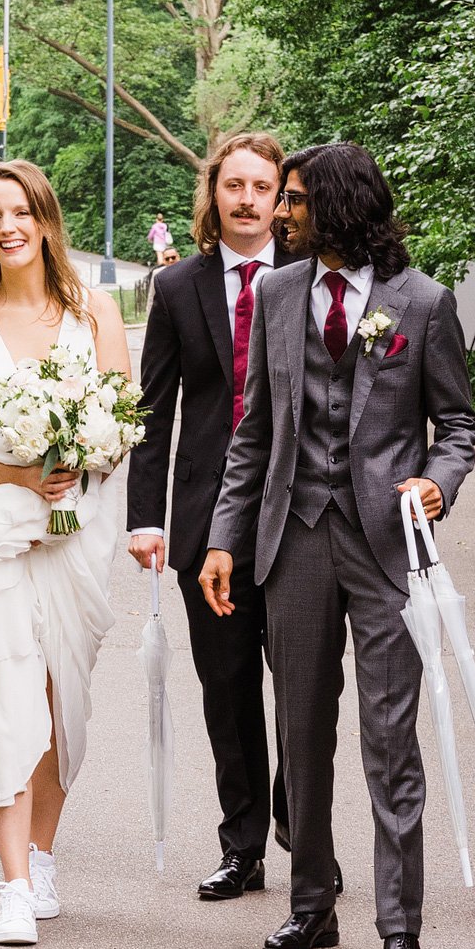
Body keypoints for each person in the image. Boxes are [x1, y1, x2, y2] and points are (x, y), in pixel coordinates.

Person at [201, 142, 475, 949]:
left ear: (340, 205)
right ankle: (311, 903)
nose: (279, 212)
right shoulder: (279, 293)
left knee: (390, 741)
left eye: (293, 199)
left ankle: (400, 932)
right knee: (302, 734)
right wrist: (224, 538)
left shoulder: (422, 302)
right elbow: (254, 431)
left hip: (386, 545)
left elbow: (457, 428)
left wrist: (436, 484)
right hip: (294, 541)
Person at [0, 160, 131, 946]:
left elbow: (123, 420)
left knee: (57, 701)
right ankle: (12, 885)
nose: (8, 227)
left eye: (21, 212)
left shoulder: (95, 312)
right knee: (4, 697)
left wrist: (80, 452)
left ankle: (42, 857)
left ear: (46, 221)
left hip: (73, 532)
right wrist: (18, 472)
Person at [128, 131, 296, 901]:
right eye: (235, 185)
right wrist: (146, 518)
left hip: (298, 517)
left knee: (303, 685)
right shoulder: (176, 287)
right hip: (205, 522)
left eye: (263, 187)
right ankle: (242, 846)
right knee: (227, 690)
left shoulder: (312, 277)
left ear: (281, 198)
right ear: (214, 194)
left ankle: (301, 820)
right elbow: (153, 412)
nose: (248, 200)